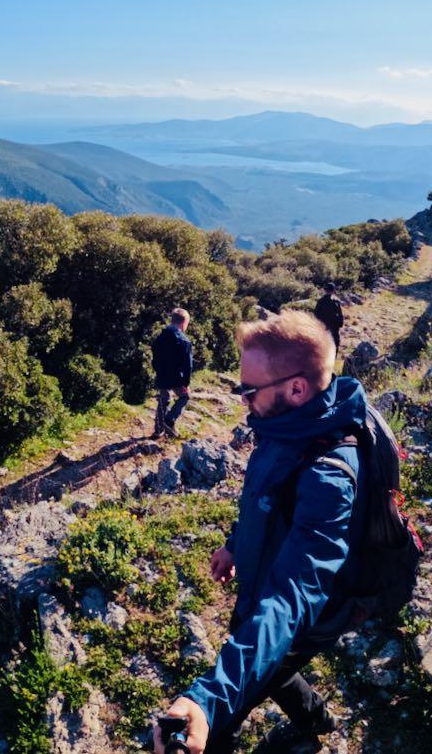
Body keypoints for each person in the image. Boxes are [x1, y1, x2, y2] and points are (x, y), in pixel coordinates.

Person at [154, 311, 367, 754]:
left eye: (249, 390)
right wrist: (235, 545)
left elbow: (291, 602)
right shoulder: (282, 426)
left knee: (241, 688)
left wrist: (207, 701)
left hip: (289, 613)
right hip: (257, 588)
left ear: (296, 387)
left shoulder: (330, 477)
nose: (242, 399)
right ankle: (318, 719)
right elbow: (262, 499)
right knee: (271, 667)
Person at [151, 308, 194, 438]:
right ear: (184, 322)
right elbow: (188, 365)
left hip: (162, 374)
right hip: (176, 377)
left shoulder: (160, 336)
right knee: (185, 397)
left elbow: (155, 357)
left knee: (163, 399)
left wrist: (158, 370)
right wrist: (185, 384)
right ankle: (169, 421)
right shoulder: (184, 341)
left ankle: (158, 431)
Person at [313, 282, 344, 350]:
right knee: (333, 345)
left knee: (325, 346)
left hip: (326, 328)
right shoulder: (335, 301)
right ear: (333, 290)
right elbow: (340, 315)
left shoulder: (321, 301)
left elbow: (315, 315)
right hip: (331, 328)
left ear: (325, 290)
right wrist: (339, 323)